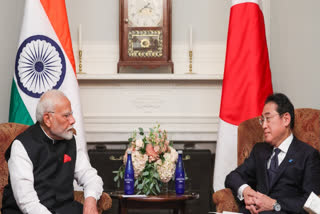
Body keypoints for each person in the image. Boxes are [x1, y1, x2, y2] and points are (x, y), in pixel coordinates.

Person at [2, 90, 103, 214]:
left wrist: (90, 201)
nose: (73, 120)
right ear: (47, 119)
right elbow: (27, 203)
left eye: (71, 114)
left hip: (63, 209)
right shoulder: (22, 146)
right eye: (66, 115)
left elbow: (90, 176)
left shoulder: (70, 140)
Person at [225, 93, 320, 214]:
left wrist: (275, 204)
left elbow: (311, 202)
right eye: (262, 120)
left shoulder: (308, 154)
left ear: (286, 119)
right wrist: (246, 191)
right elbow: (232, 177)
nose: (264, 125)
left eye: (268, 119)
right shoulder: (259, 150)